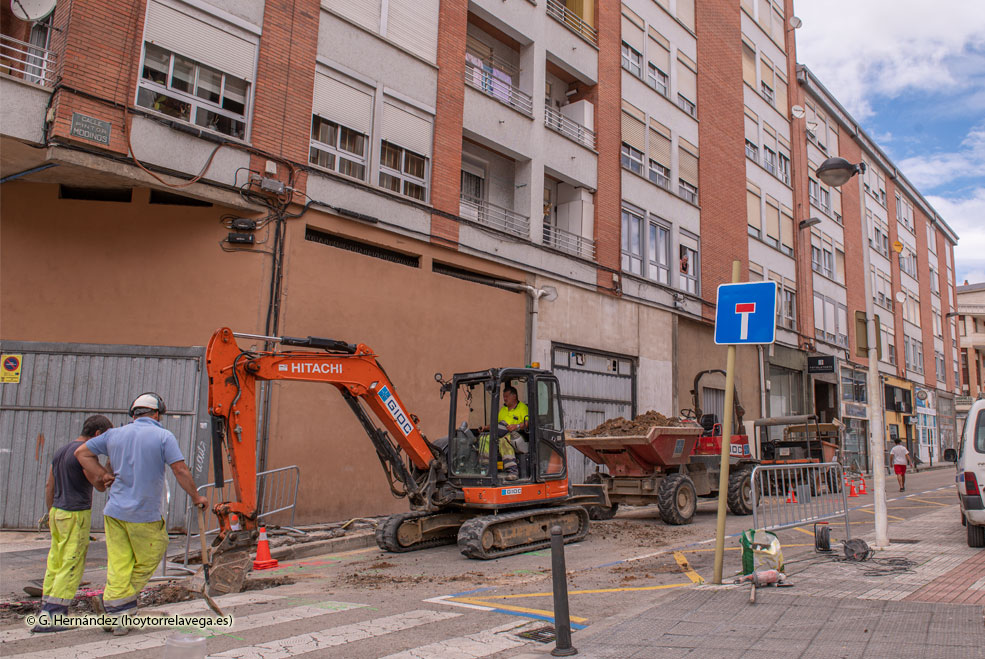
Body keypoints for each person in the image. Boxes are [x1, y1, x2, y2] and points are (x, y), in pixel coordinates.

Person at [74, 393, 208, 636]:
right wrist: (196, 497)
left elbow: (81, 453)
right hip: (144, 514)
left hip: (114, 512)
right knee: (153, 553)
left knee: (119, 563)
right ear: (157, 414)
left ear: (133, 413)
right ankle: (119, 607)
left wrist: (100, 476)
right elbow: (179, 469)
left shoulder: (114, 435)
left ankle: (114, 611)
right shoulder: (163, 436)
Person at [32, 415, 114, 633]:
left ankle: (46, 609)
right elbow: (99, 485)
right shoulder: (85, 454)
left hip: (58, 512)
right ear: (98, 434)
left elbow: (50, 484)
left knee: (55, 562)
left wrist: (51, 513)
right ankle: (54, 617)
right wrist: (108, 467)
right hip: (75, 514)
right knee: (71, 563)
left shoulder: (62, 451)